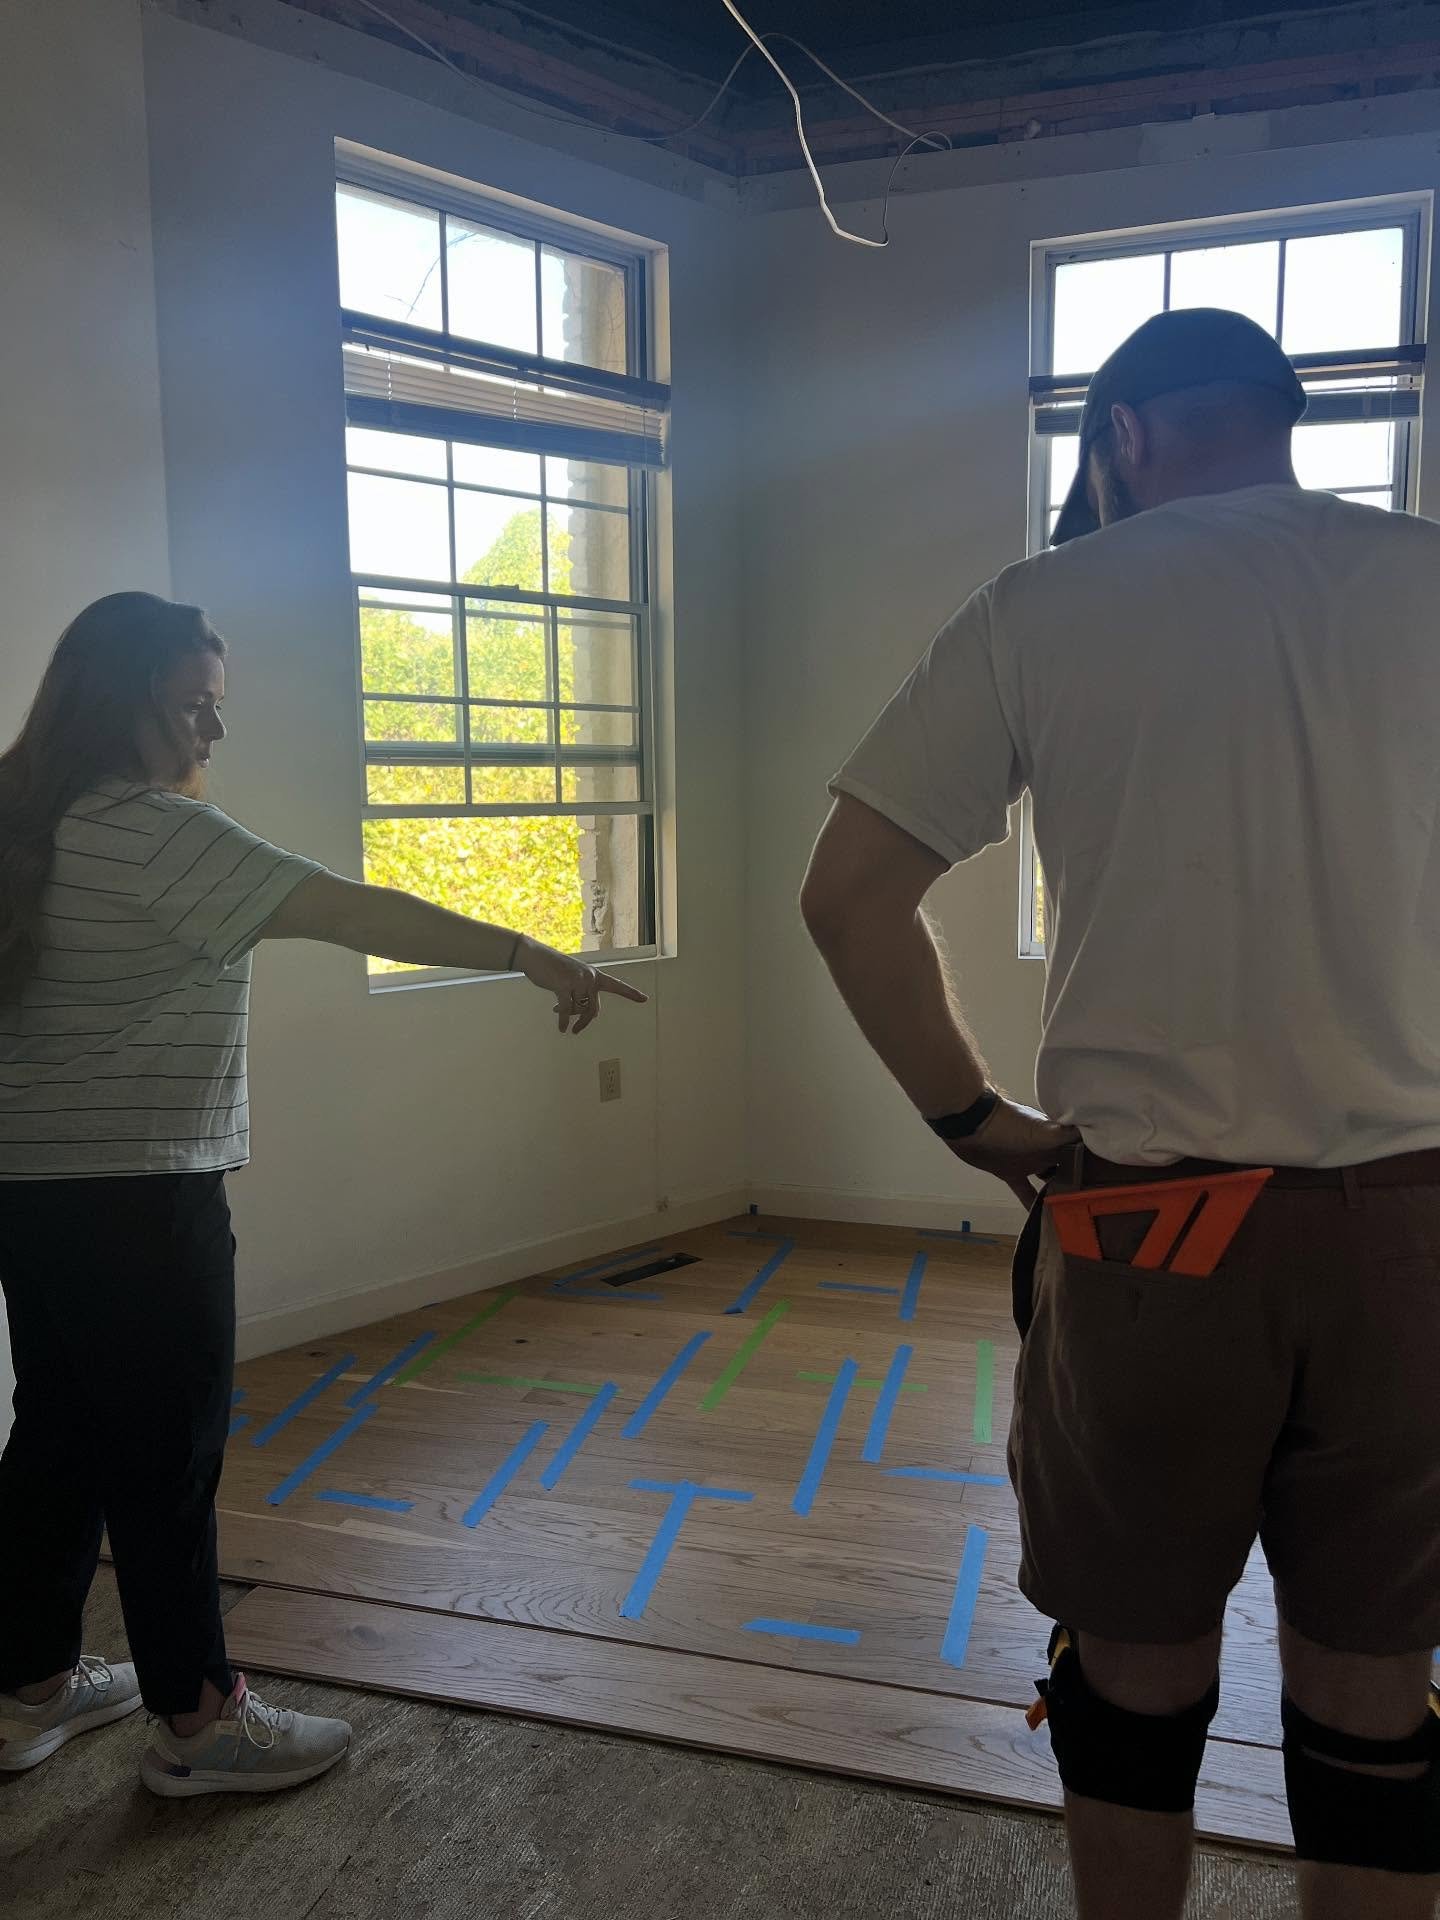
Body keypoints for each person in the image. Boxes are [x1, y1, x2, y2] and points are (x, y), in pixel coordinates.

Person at [801, 308, 1440, 1920]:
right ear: (1287, 423)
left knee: (1136, 1671)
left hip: (1161, 1230)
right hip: (1417, 1235)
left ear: (1125, 439)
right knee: (1375, 1689)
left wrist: (970, 1121)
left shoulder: (1043, 606)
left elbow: (852, 898)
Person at [0, 591, 646, 1797]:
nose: (213, 732)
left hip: (30, 1194)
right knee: (167, 1456)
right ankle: (197, 1723)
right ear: (129, 699)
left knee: (60, 1437)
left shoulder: (25, 817)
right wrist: (523, 949)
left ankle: (27, 1684)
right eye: (196, 705)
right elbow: (348, 909)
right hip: (144, 1197)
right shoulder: (155, 833)